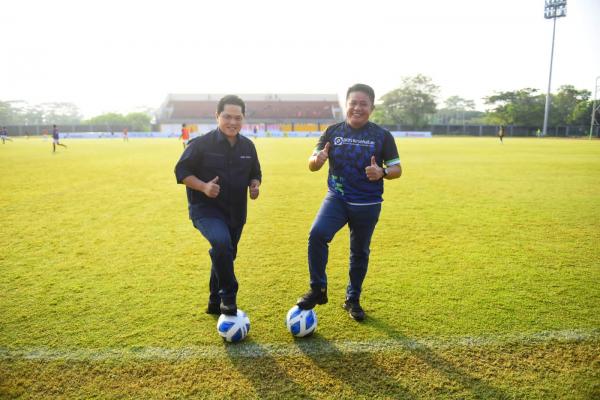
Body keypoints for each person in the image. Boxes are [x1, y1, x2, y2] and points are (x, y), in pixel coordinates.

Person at [296, 83, 402, 321]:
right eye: (353, 102)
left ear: (372, 108)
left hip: (367, 203)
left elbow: (397, 168)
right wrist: (318, 159)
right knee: (317, 235)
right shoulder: (332, 131)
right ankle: (318, 289)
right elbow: (311, 163)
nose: (357, 107)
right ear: (346, 104)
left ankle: (352, 299)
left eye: (363, 103)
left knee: (359, 252)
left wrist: (382, 172)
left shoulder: (382, 136)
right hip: (338, 198)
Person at [174, 95, 262, 316]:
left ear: (243, 119)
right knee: (222, 245)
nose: (232, 122)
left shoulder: (248, 146)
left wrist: (254, 185)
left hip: (236, 212)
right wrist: (203, 186)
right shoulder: (201, 144)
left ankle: (214, 301)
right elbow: (181, 171)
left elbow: (255, 173)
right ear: (217, 116)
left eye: (237, 118)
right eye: (227, 117)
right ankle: (228, 297)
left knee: (225, 254)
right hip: (206, 210)